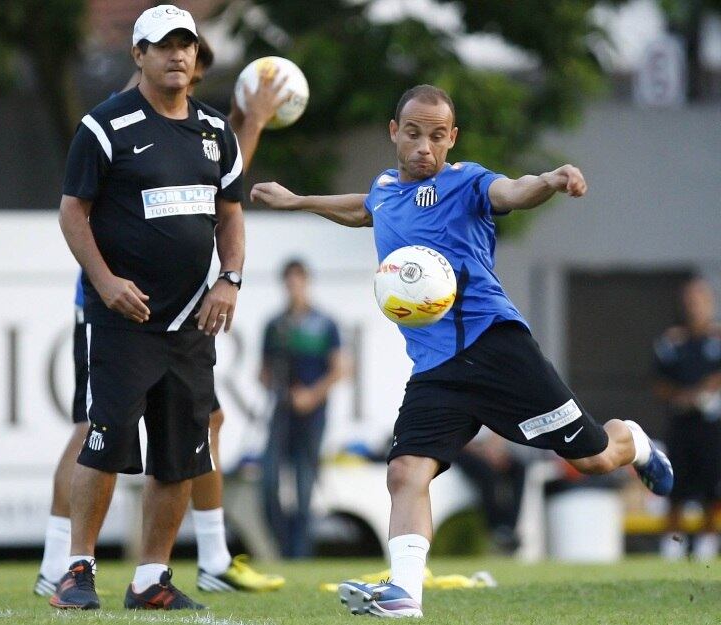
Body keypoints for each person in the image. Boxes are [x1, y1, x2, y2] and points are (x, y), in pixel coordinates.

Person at [251, 84, 673, 618]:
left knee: (593, 459)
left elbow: (514, 191)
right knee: (405, 471)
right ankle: (405, 593)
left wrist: (549, 179)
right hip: (436, 370)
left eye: (435, 136)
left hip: (498, 349)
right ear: (393, 134)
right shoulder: (384, 189)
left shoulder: (467, 182)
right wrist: (297, 201)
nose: (424, 146)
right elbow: (363, 209)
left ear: (451, 139)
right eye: (413, 133)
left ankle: (631, 440)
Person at [35, 29, 288, 599]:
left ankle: (153, 577)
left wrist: (231, 278)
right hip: (121, 315)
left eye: (187, 47)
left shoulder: (213, 129)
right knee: (102, 436)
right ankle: (72, 568)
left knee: (184, 449)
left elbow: (230, 206)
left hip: (192, 321)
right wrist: (104, 283)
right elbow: (72, 212)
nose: (179, 56)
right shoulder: (107, 124)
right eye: (164, 46)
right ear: (139, 55)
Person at [259, 259, 344, 558]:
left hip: (313, 413)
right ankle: (283, 546)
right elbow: (264, 371)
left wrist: (311, 395)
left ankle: (300, 553)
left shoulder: (324, 323)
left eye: (298, 281)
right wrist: (276, 386)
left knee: (304, 484)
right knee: (268, 481)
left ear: (306, 282)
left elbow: (339, 369)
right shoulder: (275, 325)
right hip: (282, 411)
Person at [653, 276, 721, 560]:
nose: (695, 307)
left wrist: (707, 390)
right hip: (681, 425)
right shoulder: (671, 342)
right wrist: (683, 396)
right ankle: (673, 546)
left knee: (712, 490)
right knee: (676, 490)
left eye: (700, 301)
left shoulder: (717, 340)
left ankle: (707, 545)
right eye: (690, 301)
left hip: (712, 427)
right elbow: (658, 382)